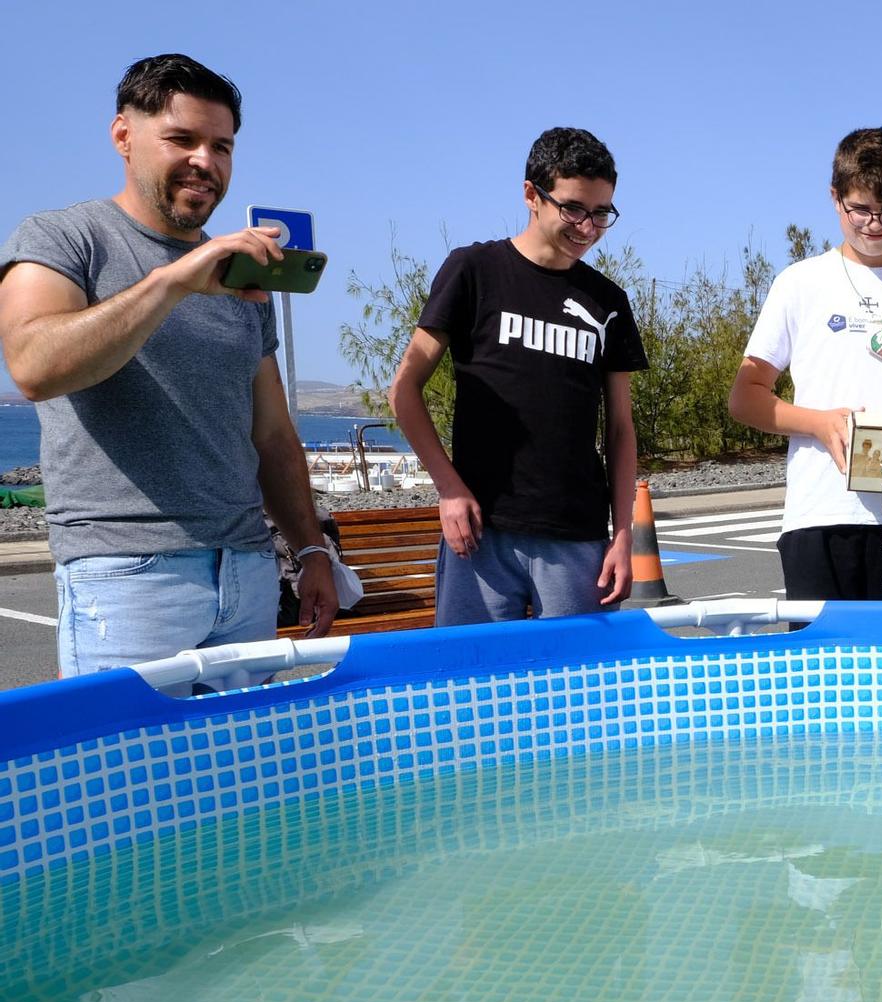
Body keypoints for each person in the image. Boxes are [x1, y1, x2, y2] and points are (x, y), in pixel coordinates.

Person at [0, 53, 336, 686]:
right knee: (126, 782)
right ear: (123, 135)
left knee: (239, 779)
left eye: (222, 145)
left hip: (246, 569)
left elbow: (271, 435)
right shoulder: (63, 238)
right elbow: (34, 366)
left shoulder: (239, 277)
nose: (206, 161)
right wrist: (173, 282)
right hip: (126, 574)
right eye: (182, 138)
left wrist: (311, 548)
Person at [390, 127, 646, 626]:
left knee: (578, 694)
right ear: (532, 194)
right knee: (471, 691)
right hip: (480, 536)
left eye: (601, 213)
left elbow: (619, 428)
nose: (587, 227)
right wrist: (449, 489)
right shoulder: (473, 270)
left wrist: (622, 535)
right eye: (573, 208)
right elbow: (404, 389)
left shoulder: (609, 302)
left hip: (577, 537)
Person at [728, 128, 882, 601]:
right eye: (860, 209)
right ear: (835, 198)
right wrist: (818, 424)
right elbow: (745, 395)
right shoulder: (799, 284)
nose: (875, 224)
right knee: (825, 674)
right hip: (822, 518)